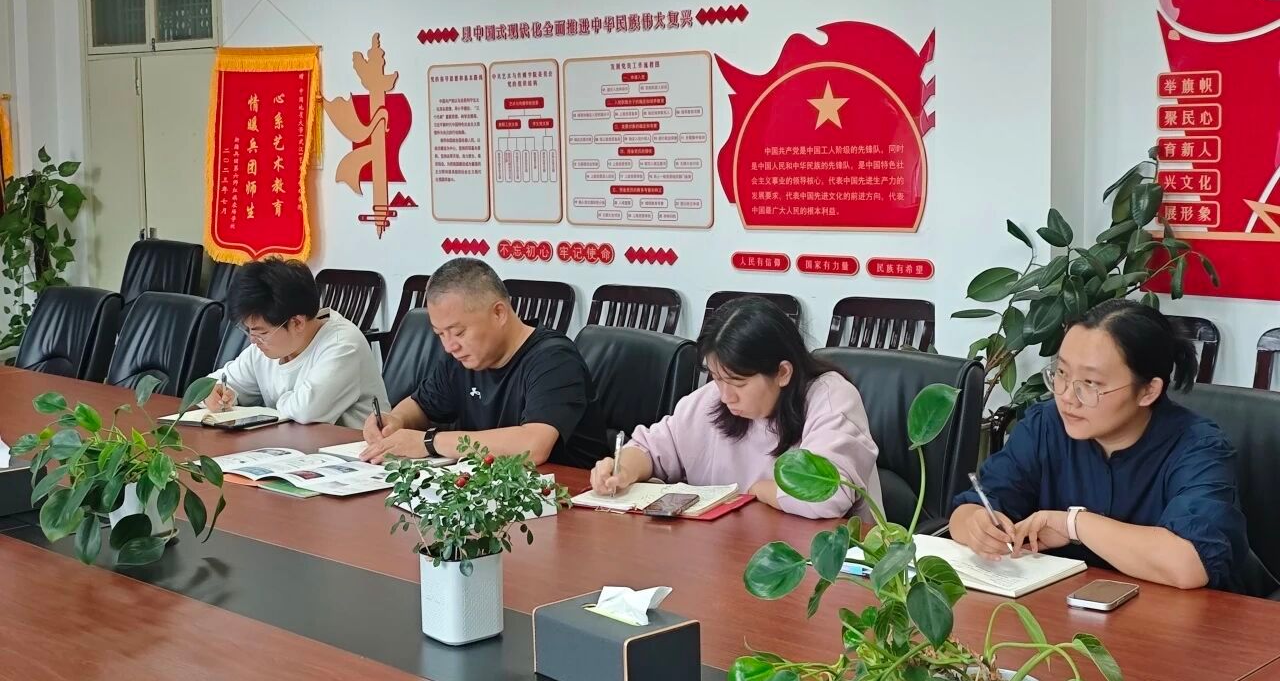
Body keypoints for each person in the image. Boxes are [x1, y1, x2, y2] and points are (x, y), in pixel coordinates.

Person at [950, 299, 1248, 591]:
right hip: (1061, 609)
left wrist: (1073, 524)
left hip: (1176, 616)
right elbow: (966, 512)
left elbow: (1190, 564)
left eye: (1090, 384)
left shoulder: (1198, 447)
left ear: (1148, 391)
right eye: (1062, 374)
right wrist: (978, 526)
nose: (1067, 396)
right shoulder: (1046, 425)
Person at [588, 297, 882, 521]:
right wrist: (622, 469)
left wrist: (759, 490)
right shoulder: (712, 399)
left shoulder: (830, 398)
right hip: (730, 554)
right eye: (717, 377)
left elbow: (825, 494)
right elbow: (652, 448)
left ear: (782, 373)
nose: (726, 396)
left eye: (738, 382)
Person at [359, 258, 607, 467]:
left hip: (565, 496)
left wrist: (428, 442)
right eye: (440, 334)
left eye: (458, 332)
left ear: (499, 313)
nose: (449, 346)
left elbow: (533, 446)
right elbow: (421, 405)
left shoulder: (554, 359)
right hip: (486, 492)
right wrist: (396, 421)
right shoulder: (462, 359)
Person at [206, 258, 388, 429]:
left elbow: (306, 412)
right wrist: (216, 393)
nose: (252, 340)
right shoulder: (266, 346)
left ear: (297, 323)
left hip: (354, 448)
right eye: (249, 330)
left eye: (261, 332)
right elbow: (213, 384)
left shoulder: (344, 345)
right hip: (291, 445)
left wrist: (268, 405)